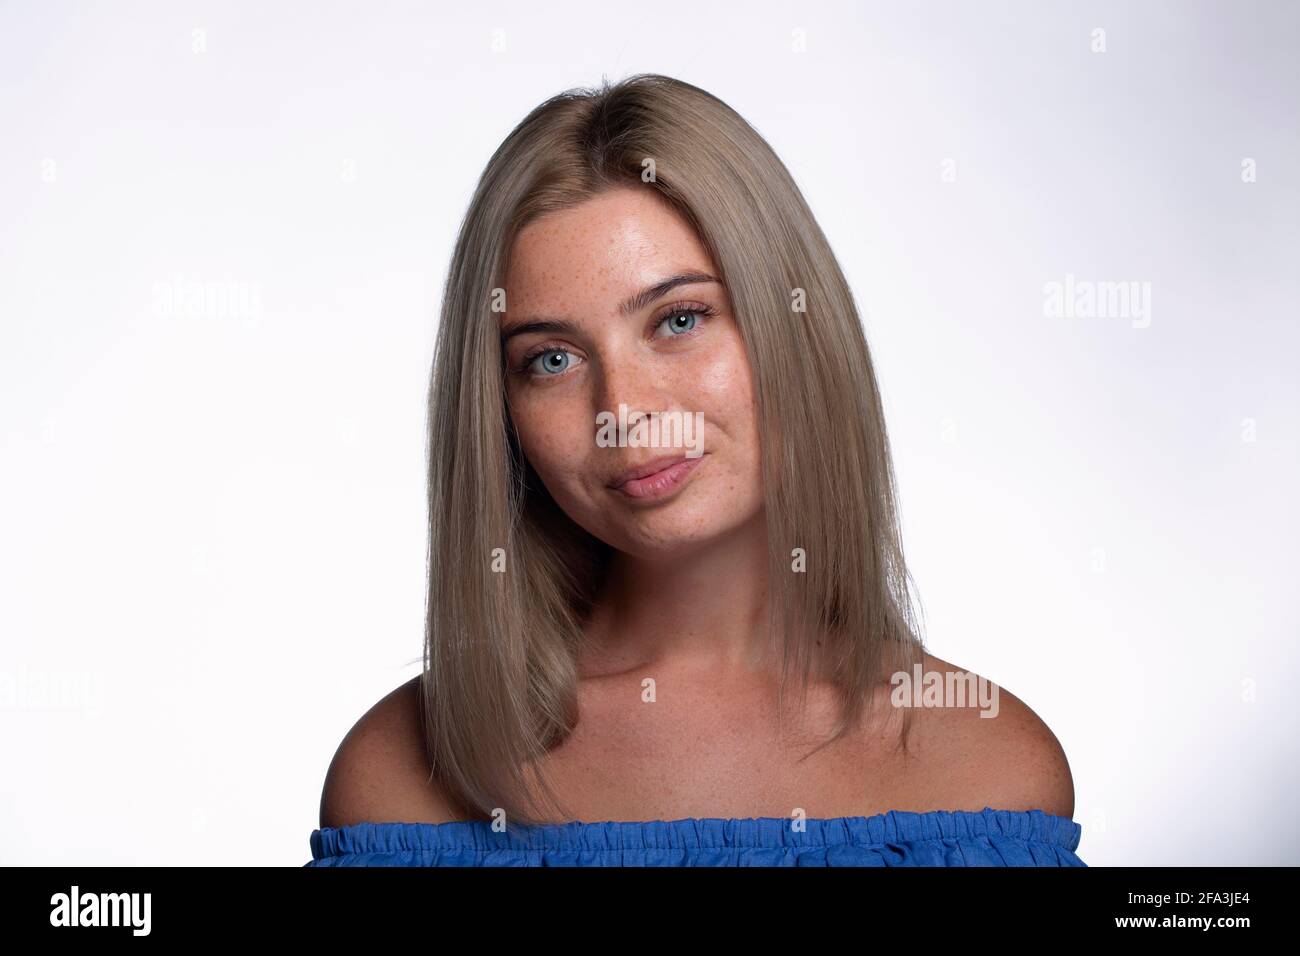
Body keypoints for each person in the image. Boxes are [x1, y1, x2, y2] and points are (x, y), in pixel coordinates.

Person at [308, 74, 1081, 867]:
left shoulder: (989, 773)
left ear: (796, 329)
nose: (623, 409)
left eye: (679, 319)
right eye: (551, 359)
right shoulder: (402, 780)